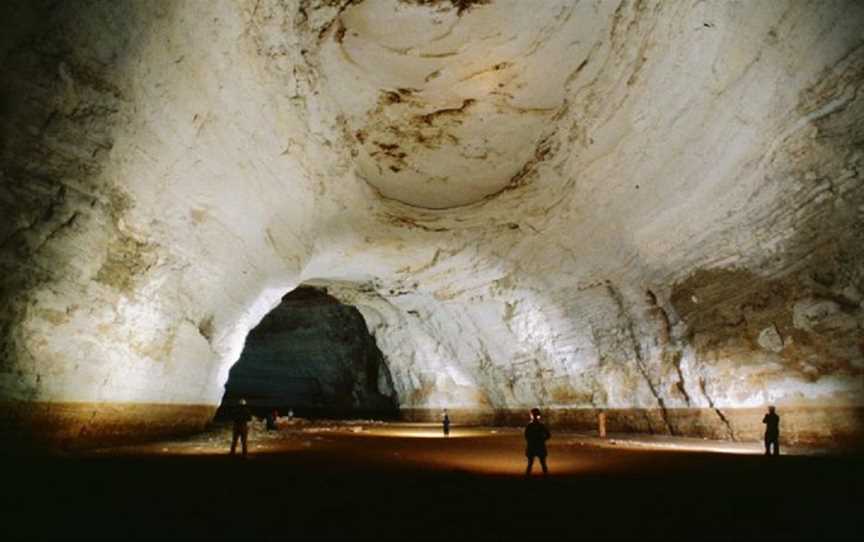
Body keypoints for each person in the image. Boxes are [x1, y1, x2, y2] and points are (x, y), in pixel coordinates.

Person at [525, 407, 551, 476]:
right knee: (543, 463)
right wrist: (542, 440)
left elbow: (526, 436)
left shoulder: (530, 426)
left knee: (530, 464)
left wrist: (531, 441)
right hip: (540, 446)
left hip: (533, 446)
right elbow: (548, 435)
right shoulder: (540, 425)